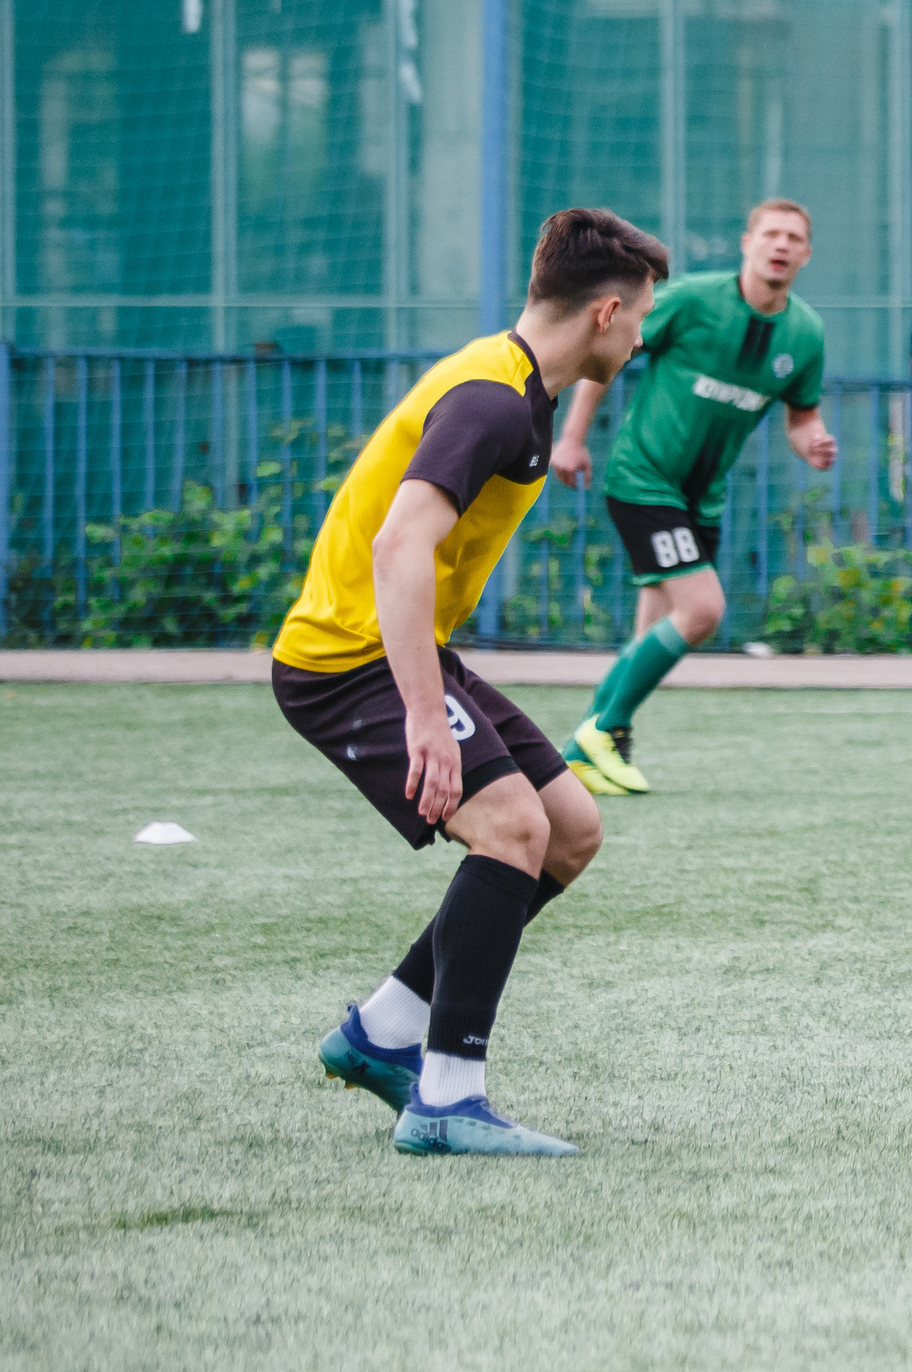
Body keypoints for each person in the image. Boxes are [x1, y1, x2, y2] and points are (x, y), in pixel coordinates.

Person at [275, 208, 669, 1154]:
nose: (642, 338)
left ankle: (381, 1033)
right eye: (641, 316)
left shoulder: (516, 384)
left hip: (407, 648)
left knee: (568, 829)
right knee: (512, 828)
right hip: (346, 661)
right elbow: (398, 545)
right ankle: (447, 1097)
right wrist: (424, 714)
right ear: (606, 311)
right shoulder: (492, 398)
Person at [550, 197, 836, 795]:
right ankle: (597, 735)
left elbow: (802, 416)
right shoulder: (692, 300)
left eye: (794, 238)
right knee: (703, 610)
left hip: (701, 499)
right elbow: (607, 351)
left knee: (655, 627)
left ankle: (591, 747)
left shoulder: (805, 333)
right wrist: (572, 438)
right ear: (747, 243)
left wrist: (811, 441)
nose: (781, 245)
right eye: (772, 234)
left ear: (807, 255)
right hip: (644, 479)